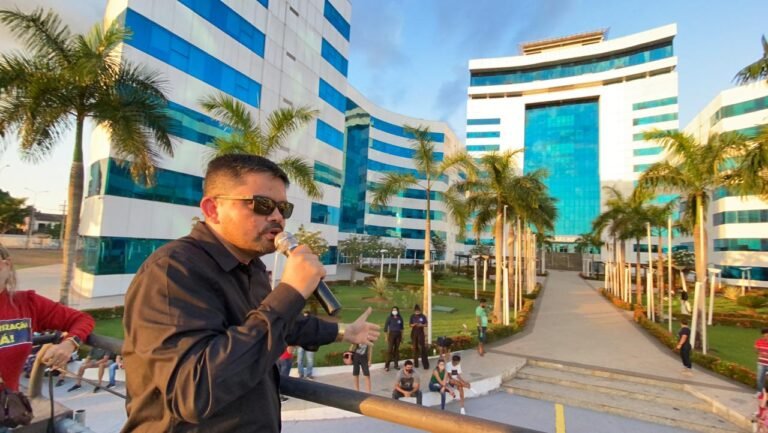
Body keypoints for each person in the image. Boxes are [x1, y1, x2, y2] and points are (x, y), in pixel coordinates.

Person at [122, 155, 380, 432]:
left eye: (284, 208)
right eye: (262, 205)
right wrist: (290, 291)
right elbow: (193, 391)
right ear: (213, 209)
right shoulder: (172, 271)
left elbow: (279, 325)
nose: (277, 217)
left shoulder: (252, 268)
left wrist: (343, 332)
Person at [0, 244, 94, 393]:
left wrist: (68, 344)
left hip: (7, 407)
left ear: (7, 264)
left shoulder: (27, 303)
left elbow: (82, 319)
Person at [296, 311, 316, 379]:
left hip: (310, 345)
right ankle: (301, 374)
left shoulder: (313, 325)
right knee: (299, 360)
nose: (305, 318)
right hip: (301, 345)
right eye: (304, 316)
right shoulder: (299, 325)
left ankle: (308, 374)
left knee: (310, 360)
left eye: (306, 316)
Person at [409, 304, 429, 369]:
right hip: (414, 333)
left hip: (420, 333)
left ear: (420, 310)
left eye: (418, 311)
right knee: (415, 349)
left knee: (422, 348)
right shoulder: (412, 316)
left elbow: (426, 324)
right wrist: (414, 324)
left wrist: (421, 325)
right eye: (416, 311)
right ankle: (416, 363)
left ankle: (425, 365)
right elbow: (410, 325)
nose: (417, 312)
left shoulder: (423, 316)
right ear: (414, 311)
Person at [384, 306, 404, 371]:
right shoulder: (389, 318)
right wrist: (386, 337)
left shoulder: (400, 318)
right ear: (391, 311)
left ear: (398, 311)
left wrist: (402, 337)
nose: (394, 311)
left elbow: (402, 328)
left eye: (395, 310)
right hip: (391, 335)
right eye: (393, 310)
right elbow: (385, 328)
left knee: (396, 350)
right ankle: (387, 366)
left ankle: (396, 365)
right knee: (389, 350)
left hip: (398, 335)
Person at [756, 328, 768, 394]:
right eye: (764, 336)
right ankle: (759, 392)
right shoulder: (759, 341)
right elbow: (756, 350)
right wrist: (760, 353)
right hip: (761, 363)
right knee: (759, 379)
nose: (766, 337)